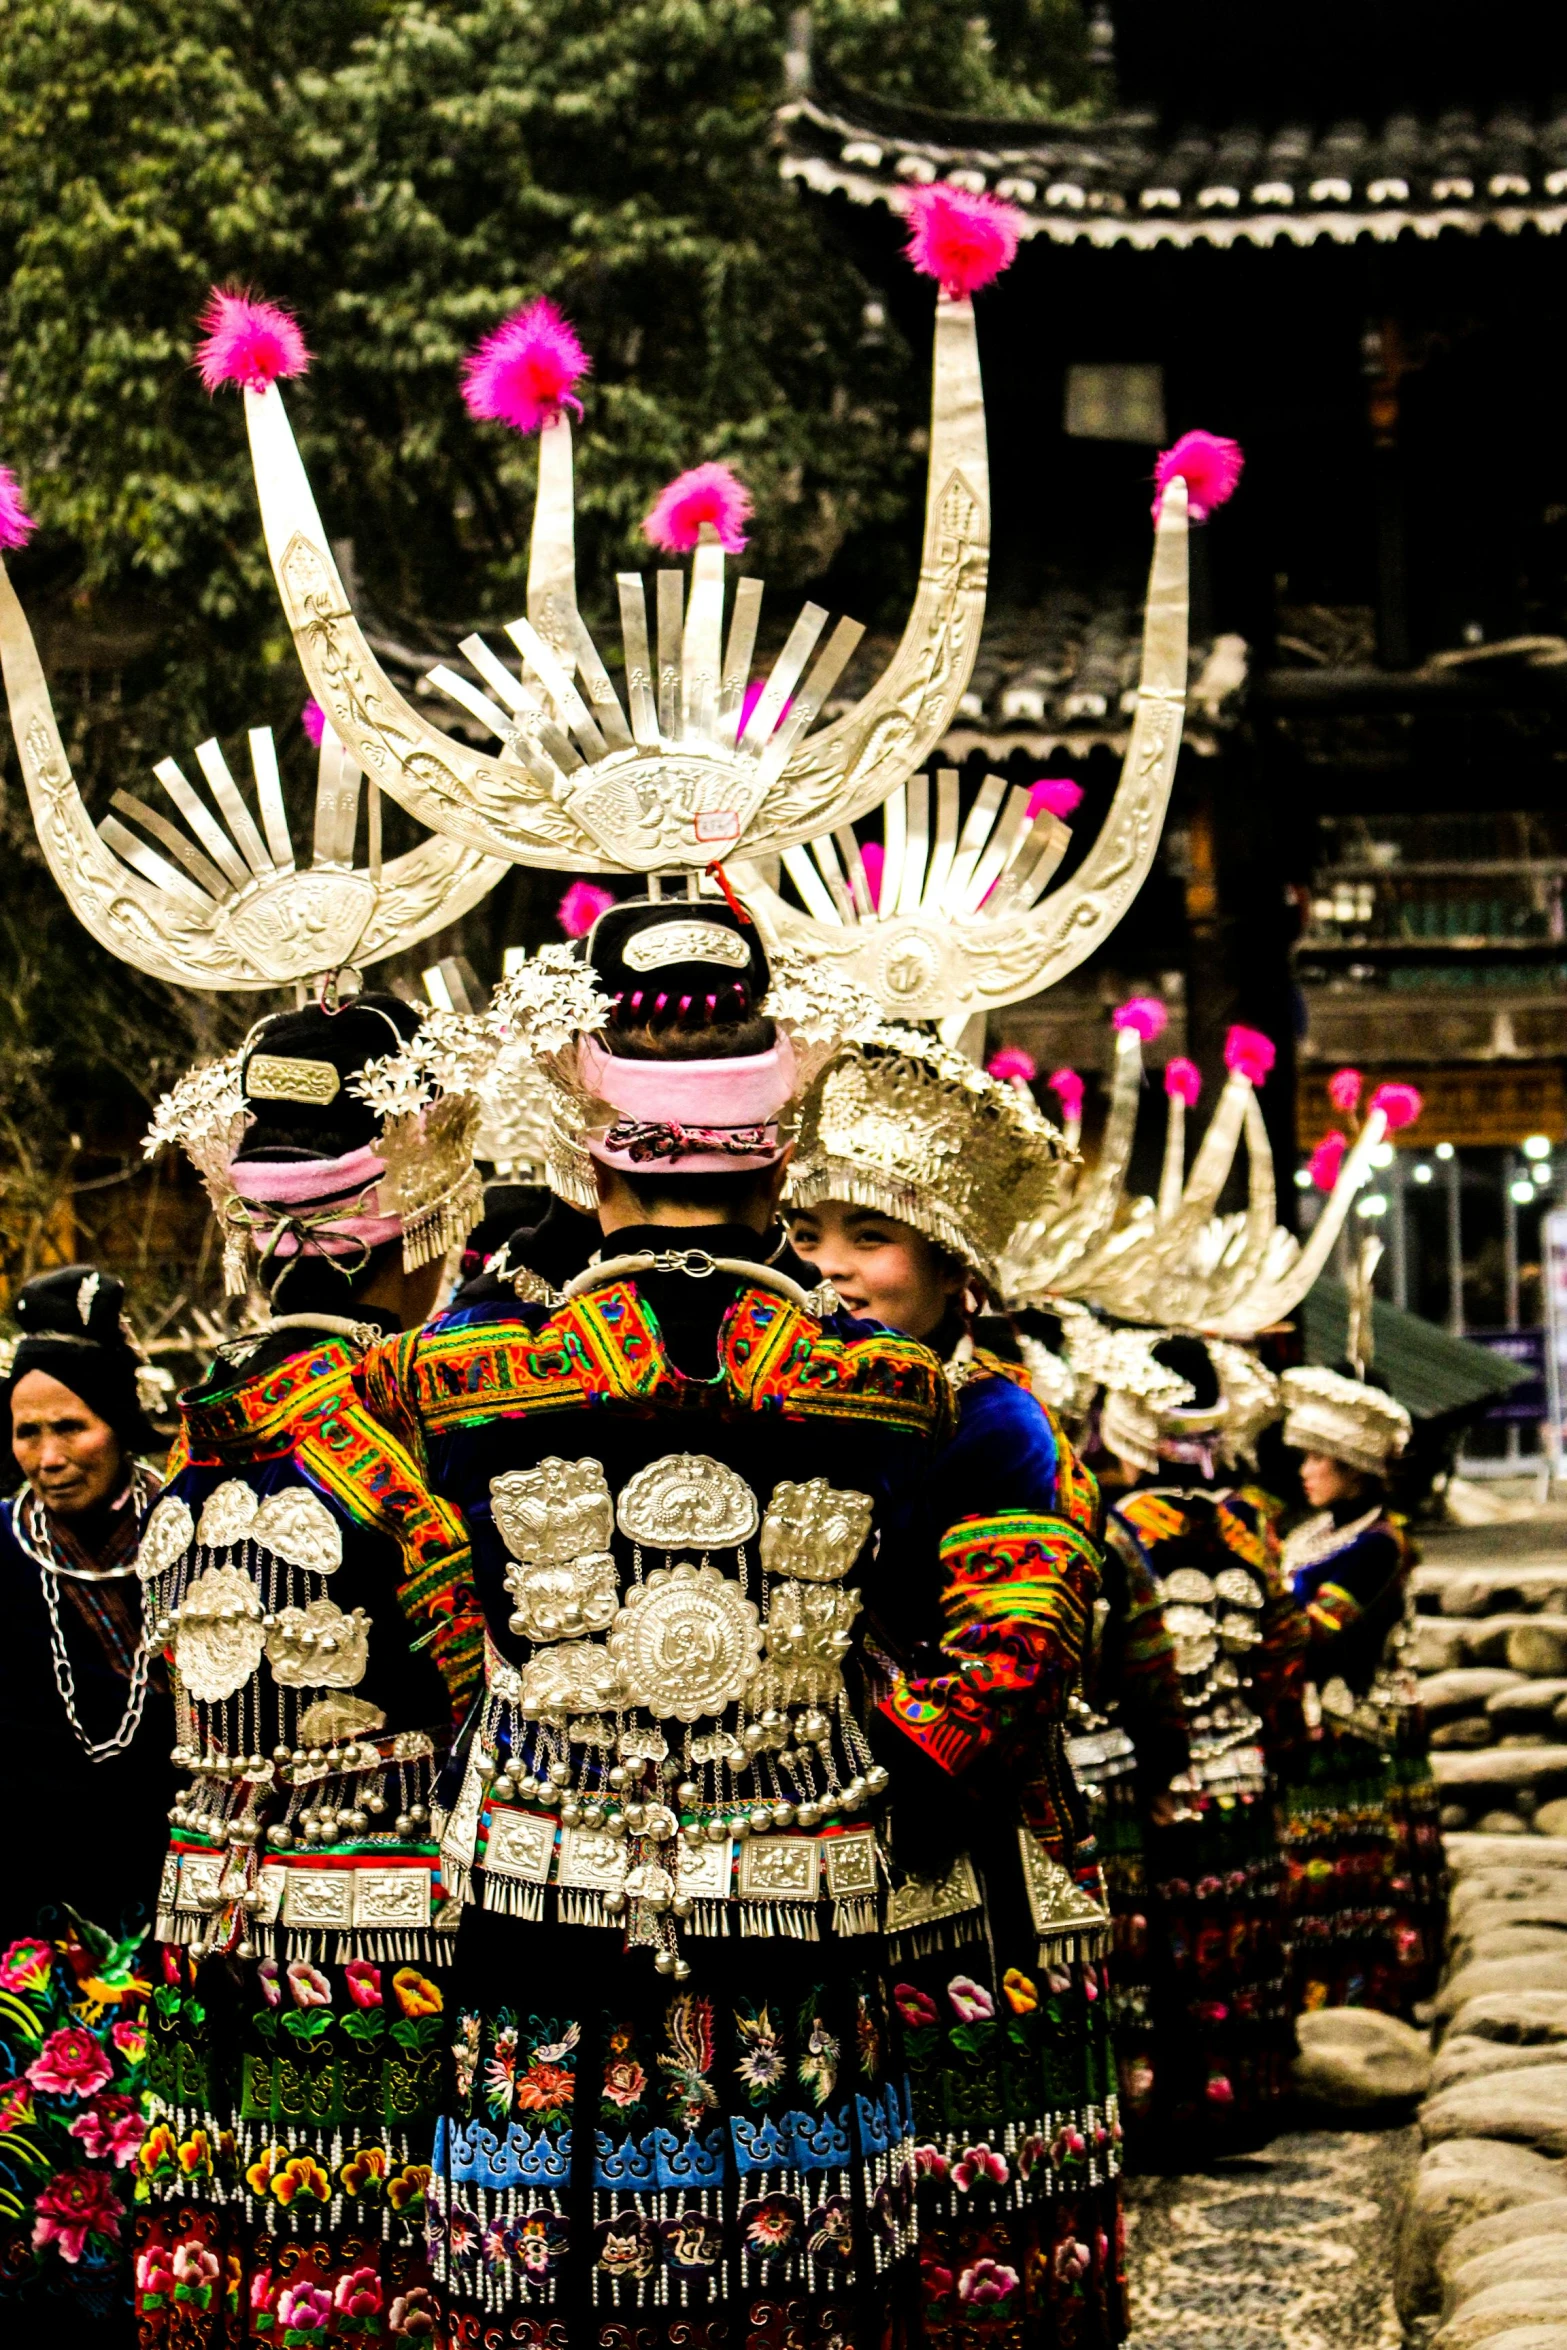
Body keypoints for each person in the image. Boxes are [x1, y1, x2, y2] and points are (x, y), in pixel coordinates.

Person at [350, 904, 966, 2348]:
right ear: (779, 1167)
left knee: (544, 2255)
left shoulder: (456, 1379)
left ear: (583, 1154)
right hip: (795, 1868)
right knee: (793, 2257)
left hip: (543, 1870)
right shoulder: (885, 1389)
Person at [128, 989, 482, 2346]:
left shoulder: (198, 1423)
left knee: (225, 2228)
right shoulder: (399, 1418)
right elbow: (467, 1672)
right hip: (370, 1906)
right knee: (355, 2247)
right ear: (410, 1227)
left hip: (199, 1891)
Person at [787, 1030, 1124, 2350]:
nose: (828, 1266)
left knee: (968, 2209)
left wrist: (846, 1760)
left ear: (954, 1268)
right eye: (809, 1231)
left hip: (955, 1854)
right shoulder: (812, 1397)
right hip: (814, 1841)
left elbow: (1010, 1663)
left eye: (867, 1236)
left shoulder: (994, 1422)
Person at [0, 1265, 171, 2330]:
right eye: (26, 1433)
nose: (51, 1457)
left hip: (161, 1912)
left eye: (72, 1425)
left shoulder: (192, 1533)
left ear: (121, 1422)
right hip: (27, 1920)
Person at [1094, 1333, 1303, 2159]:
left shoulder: (1121, 1529)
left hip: (1154, 1780)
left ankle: (1164, 2114)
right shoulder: (1254, 1525)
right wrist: (1276, 1752)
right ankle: (1243, 2097)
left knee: (1161, 1953)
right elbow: (1282, 1652)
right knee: (1238, 1939)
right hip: (1243, 1771)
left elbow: (1126, 1660)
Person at [1276, 1366, 1445, 2016]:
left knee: (1350, 1870)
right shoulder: (1309, 1533)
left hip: (1353, 1725)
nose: (1305, 1469)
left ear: (1350, 1464)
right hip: (1312, 1718)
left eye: (1317, 1456)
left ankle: (1368, 1998)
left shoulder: (1377, 1544)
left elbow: (1320, 1632)